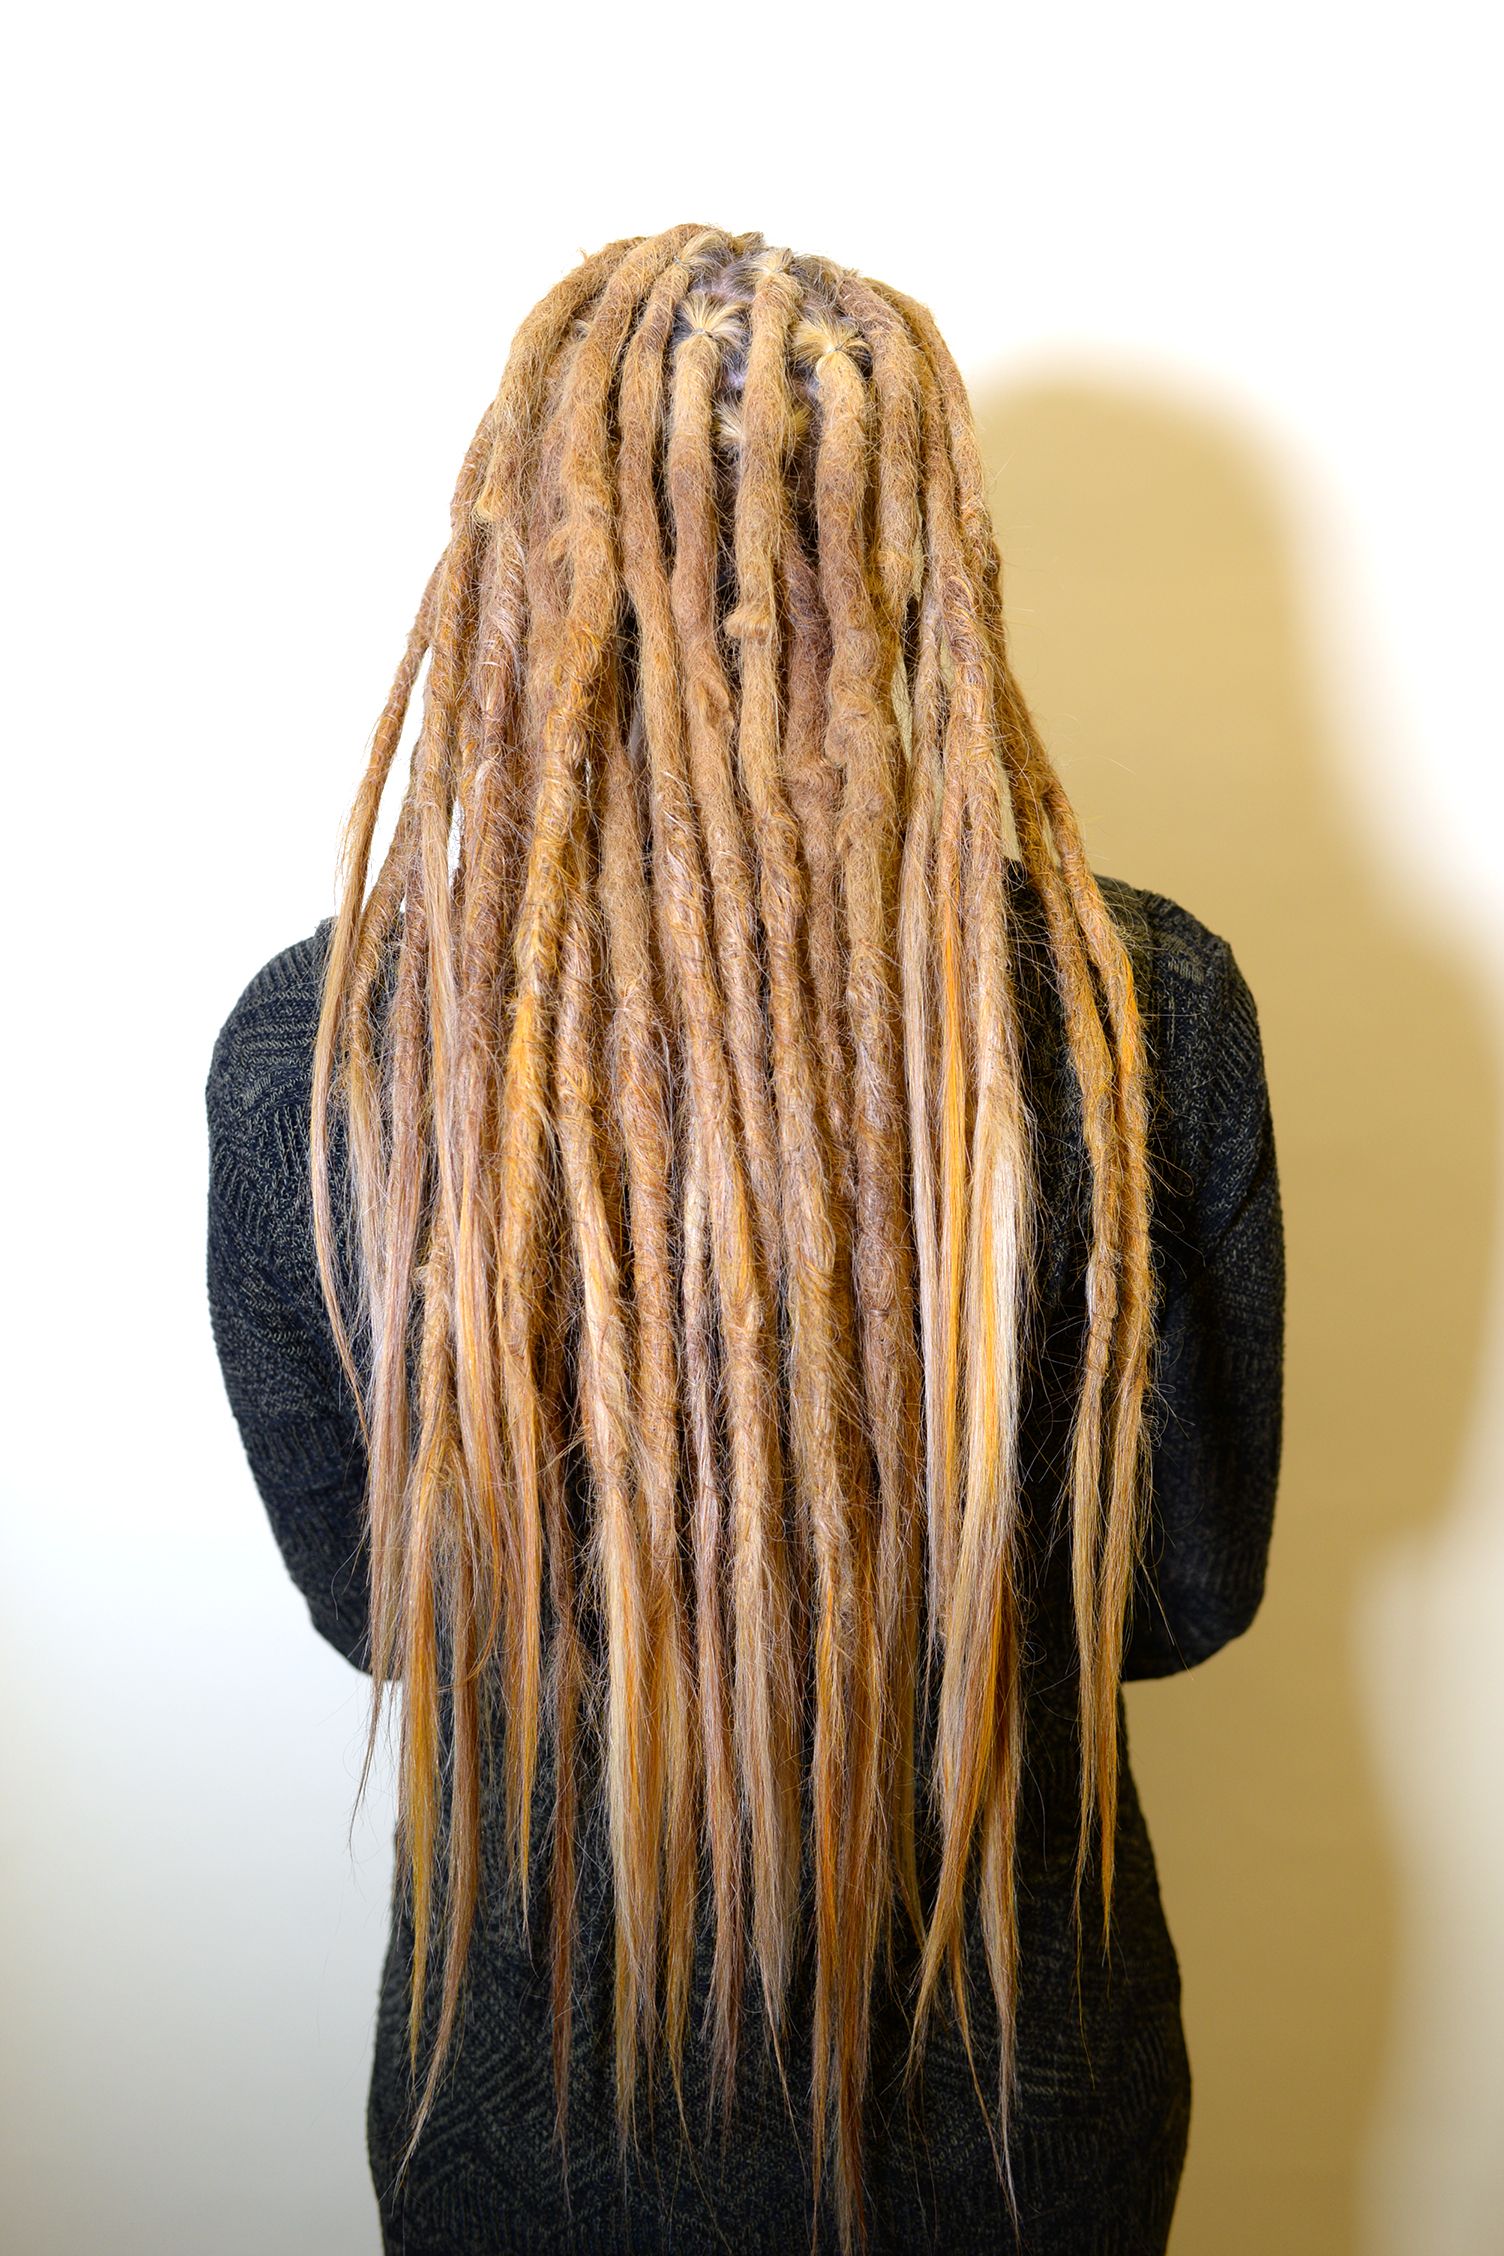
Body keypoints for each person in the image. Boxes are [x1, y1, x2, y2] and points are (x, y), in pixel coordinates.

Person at [205, 224, 1284, 2255]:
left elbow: (386, 1615)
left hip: (530, 2146)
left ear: (527, 545)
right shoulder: (1138, 1010)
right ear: (920, 549)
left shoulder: (329, 1044)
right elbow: (1179, 1594)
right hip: (1018, 2131)